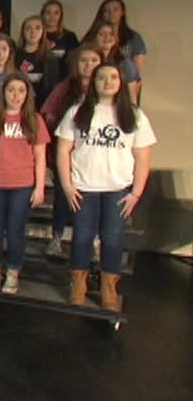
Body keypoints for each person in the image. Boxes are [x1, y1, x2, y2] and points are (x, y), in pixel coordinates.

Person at [56, 63, 155, 311]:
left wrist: (136, 192)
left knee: (112, 239)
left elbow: (143, 158)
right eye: (101, 77)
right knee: (82, 237)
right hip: (83, 187)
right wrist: (67, 186)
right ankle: (79, 284)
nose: (107, 82)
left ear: (121, 82)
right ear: (93, 82)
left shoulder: (134, 115)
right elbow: (62, 150)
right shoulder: (77, 112)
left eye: (113, 77)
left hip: (118, 190)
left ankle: (109, 289)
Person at [0, 73, 49, 295]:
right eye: (11, 90)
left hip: (22, 185)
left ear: (27, 94)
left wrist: (40, 186)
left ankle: (13, 273)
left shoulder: (34, 120)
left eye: (21, 91)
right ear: (3, 93)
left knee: (16, 231)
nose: (16, 96)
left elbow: (40, 156)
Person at [41, 43, 102, 255]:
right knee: (62, 196)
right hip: (66, 151)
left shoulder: (106, 89)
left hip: (95, 153)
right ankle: (56, 237)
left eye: (94, 61)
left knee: (92, 199)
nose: (88, 65)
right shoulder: (64, 88)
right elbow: (48, 115)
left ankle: (93, 239)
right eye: (84, 61)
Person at [86, 0, 146, 102]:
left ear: (122, 12)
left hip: (122, 96)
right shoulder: (90, 42)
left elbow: (136, 76)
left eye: (115, 9)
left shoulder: (133, 39)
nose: (111, 13)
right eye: (107, 11)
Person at [83, 21, 141, 104]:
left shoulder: (125, 65)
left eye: (111, 34)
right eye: (102, 34)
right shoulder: (87, 61)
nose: (107, 37)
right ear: (94, 37)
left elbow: (132, 101)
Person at [15, 15, 58, 108]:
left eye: (37, 28)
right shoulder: (14, 55)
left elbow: (52, 89)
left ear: (43, 32)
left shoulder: (50, 57)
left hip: (40, 106)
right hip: (17, 104)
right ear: (23, 32)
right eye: (28, 28)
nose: (33, 32)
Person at [40, 0, 79, 81]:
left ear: (61, 15)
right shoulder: (37, 36)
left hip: (63, 80)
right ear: (42, 15)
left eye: (56, 13)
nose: (52, 17)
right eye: (48, 13)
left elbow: (74, 61)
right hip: (41, 82)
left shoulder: (70, 36)